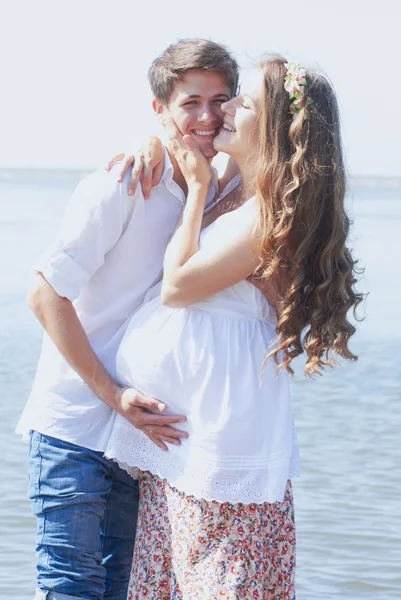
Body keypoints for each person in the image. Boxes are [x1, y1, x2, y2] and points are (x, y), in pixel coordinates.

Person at [104, 56, 363, 599]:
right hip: (182, 431)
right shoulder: (234, 183)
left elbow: (178, 288)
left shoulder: (268, 215)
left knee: (223, 578)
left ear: (272, 131)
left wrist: (196, 191)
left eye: (242, 103)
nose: (224, 108)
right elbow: (172, 125)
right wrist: (152, 142)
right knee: (168, 578)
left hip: (221, 436)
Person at [15, 38, 241, 600]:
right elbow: (44, 296)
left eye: (221, 100)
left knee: (124, 588)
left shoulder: (223, 189)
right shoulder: (123, 183)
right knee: (72, 585)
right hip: (76, 427)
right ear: (159, 109)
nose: (208, 116)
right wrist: (112, 393)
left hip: (148, 438)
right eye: (191, 102)